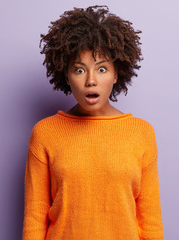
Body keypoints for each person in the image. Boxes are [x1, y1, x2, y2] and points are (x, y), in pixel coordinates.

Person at [22, 5, 164, 240]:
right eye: (79, 69)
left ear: (116, 74)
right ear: (66, 75)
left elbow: (150, 224)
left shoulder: (141, 133)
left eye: (101, 69)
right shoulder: (45, 133)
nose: (91, 80)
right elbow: (34, 220)